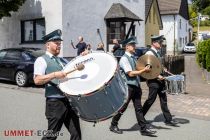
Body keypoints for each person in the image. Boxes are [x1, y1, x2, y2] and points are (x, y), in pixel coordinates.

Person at [34, 29, 81, 140]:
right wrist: (54, 74)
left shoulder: (62, 60)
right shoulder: (41, 60)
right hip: (55, 103)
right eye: (56, 43)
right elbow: (37, 80)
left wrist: (82, 57)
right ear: (48, 45)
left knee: (77, 135)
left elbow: (74, 68)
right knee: (51, 136)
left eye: (60, 44)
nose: (59, 46)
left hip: (69, 101)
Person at [109, 36, 157, 136]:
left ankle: (143, 129)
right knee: (123, 107)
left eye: (134, 45)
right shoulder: (124, 59)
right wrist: (143, 70)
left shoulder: (134, 58)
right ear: (127, 47)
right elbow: (130, 73)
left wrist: (146, 68)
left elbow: (139, 69)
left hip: (136, 87)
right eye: (133, 45)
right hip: (128, 87)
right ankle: (113, 124)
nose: (135, 47)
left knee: (138, 108)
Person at [142, 35, 178, 126]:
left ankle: (168, 120)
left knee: (163, 99)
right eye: (160, 42)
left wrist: (163, 69)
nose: (161, 44)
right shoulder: (149, 54)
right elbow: (148, 68)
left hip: (160, 80)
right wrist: (158, 75)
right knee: (151, 100)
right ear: (154, 43)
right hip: (153, 81)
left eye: (161, 42)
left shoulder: (157, 53)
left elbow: (157, 65)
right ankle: (140, 117)